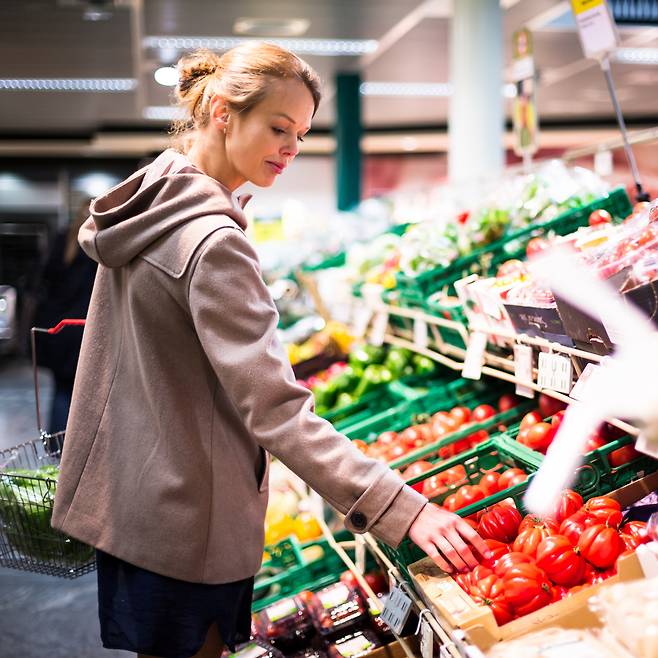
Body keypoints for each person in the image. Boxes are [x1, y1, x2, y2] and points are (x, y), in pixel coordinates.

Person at [51, 43, 489, 658]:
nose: (290, 148)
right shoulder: (212, 243)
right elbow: (276, 409)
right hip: (189, 521)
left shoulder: (149, 204)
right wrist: (399, 507)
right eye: (278, 128)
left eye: (302, 135)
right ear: (224, 112)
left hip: (138, 496)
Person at [33, 196, 97, 434]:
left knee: (61, 390)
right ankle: (80, 450)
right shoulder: (97, 246)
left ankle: (56, 451)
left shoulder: (62, 241)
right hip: (84, 329)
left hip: (57, 330)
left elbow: (43, 280)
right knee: (87, 393)